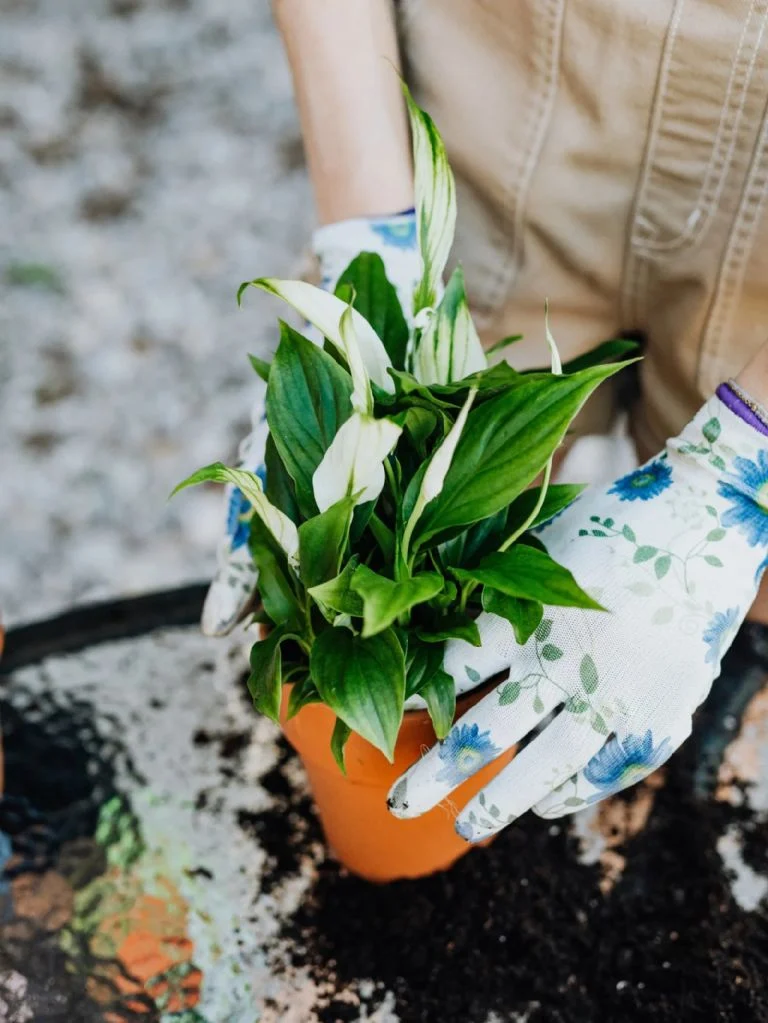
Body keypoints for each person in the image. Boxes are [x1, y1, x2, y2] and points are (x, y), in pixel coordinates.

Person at [204, 0, 768, 835]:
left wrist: (741, 468)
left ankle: (727, 705)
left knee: (745, 573)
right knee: (445, 497)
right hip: (511, 86)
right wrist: (371, 244)